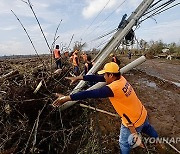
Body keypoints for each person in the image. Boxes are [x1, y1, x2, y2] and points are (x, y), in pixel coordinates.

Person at [52, 62, 159, 154]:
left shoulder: (113, 88)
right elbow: (97, 78)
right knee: (147, 127)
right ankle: (158, 141)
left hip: (132, 122)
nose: (104, 77)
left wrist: (67, 98)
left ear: (111, 75)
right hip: (142, 113)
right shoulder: (121, 78)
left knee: (124, 143)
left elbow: (89, 93)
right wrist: (79, 77)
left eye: (105, 75)